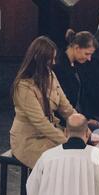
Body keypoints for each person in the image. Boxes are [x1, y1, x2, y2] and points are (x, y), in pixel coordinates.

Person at [10, 36, 76, 169]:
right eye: (49, 59)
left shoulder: (50, 75)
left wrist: (82, 126)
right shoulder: (23, 86)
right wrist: (66, 140)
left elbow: (66, 107)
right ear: (38, 59)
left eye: (54, 58)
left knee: (78, 154)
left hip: (50, 133)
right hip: (28, 139)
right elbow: (40, 122)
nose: (53, 62)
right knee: (62, 160)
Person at [53, 29, 99, 133]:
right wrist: (85, 120)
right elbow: (64, 104)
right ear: (77, 48)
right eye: (87, 54)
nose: (89, 58)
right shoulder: (60, 67)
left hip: (81, 113)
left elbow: (83, 96)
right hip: (67, 118)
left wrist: (88, 117)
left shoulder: (79, 64)